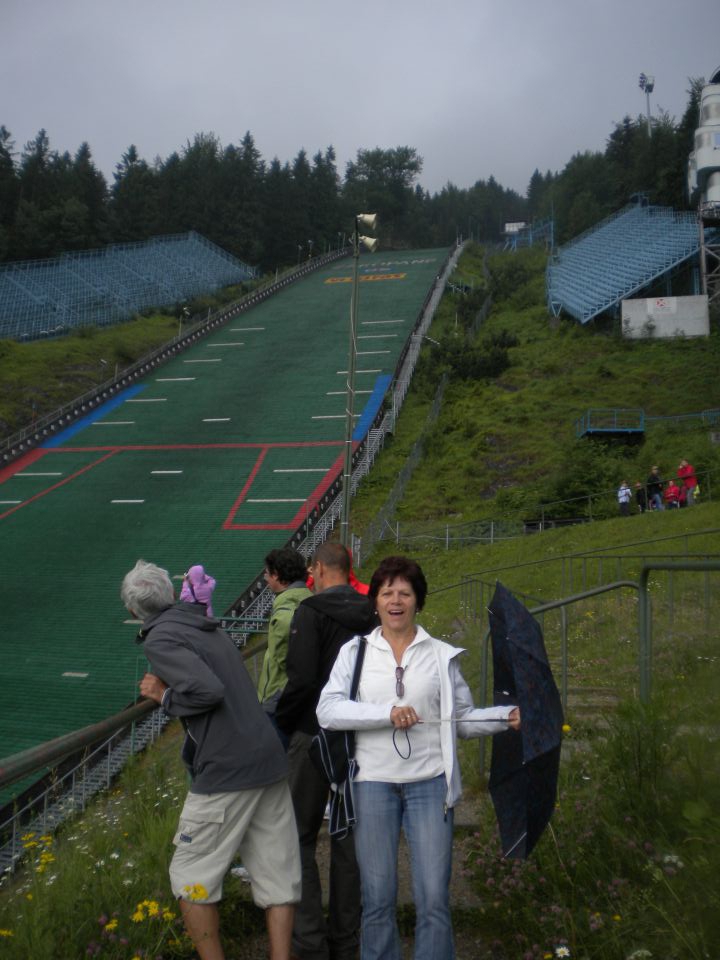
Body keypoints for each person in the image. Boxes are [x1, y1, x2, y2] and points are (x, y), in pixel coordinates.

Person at [316, 555, 520, 960]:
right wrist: (386, 714)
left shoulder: (441, 655)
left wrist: (504, 717)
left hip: (430, 785)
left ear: (418, 601)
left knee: (433, 900)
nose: (395, 600)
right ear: (374, 600)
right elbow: (328, 710)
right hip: (371, 785)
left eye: (404, 593)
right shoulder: (354, 652)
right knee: (376, 900)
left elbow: (460, 720)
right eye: (386, 592)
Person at [121, 559, 300, 960]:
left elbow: (207, 691)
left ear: (134, 612)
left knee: (189, 879)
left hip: (226, 768)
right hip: (266, 757)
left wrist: (162, 694)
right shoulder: (201, 622)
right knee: (279, 878)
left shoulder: (160, 639)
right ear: (171, 594)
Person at [275, 541, 377, 960]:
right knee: (348, 840)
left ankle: (309, 942)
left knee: (297, 837)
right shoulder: (373, 611)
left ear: (317, 568)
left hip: (312, 734)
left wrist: (281, 723)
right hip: (360, 739)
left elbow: (299, 681)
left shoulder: (310, 611)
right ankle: (347, 942)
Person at [257, 548, 313, 747]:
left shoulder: (283, 616)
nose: (265, 579)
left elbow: (285, 662)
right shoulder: (311, 601)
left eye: (267, 573)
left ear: (277, 575)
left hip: (279, 702)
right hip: (304, 704)